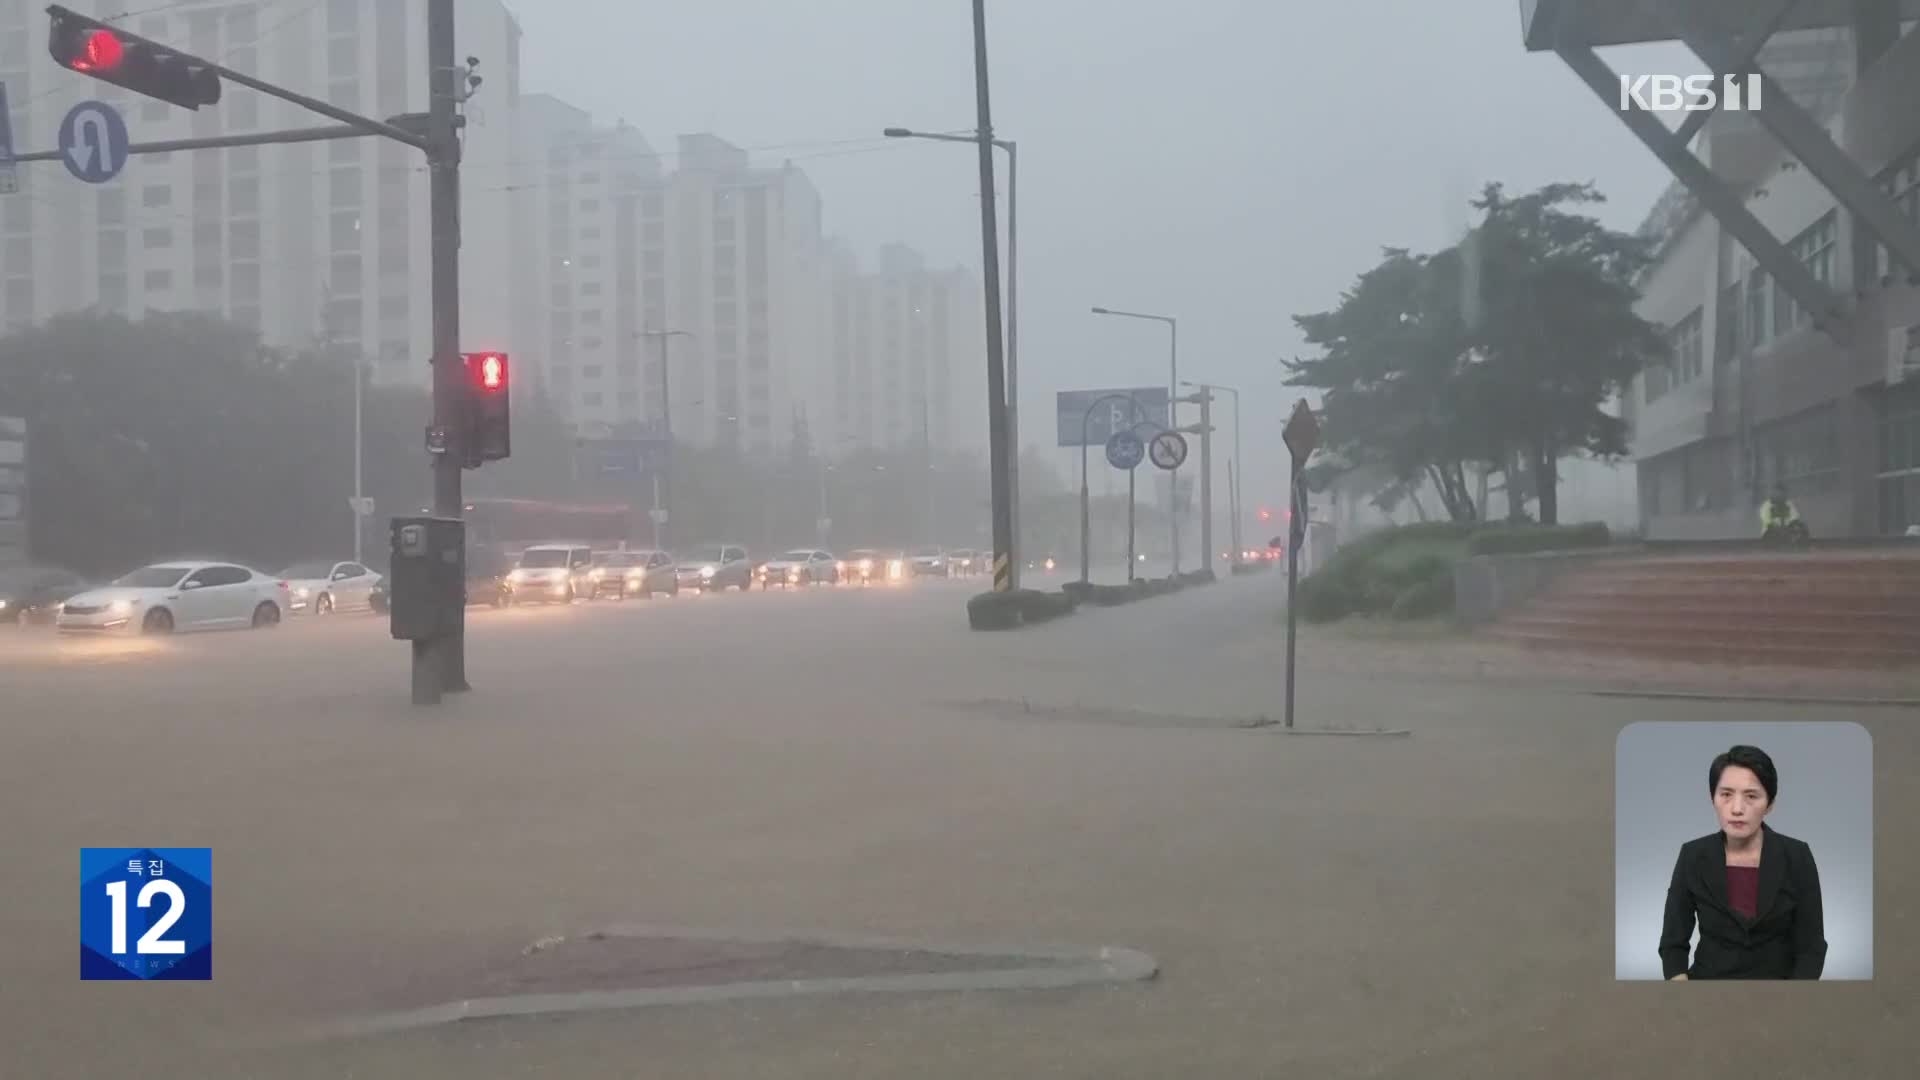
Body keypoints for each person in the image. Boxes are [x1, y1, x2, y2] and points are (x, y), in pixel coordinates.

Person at [1659, 745, 1826, 980]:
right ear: (1713, 798)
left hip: (1778, 994)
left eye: (1751, 796)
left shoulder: (1797, 855)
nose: (1737, 809)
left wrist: (1794, 1003)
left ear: (1770, 803)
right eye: (1726, 794)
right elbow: (1672, 943)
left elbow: (1811, 947)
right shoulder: (1692, 855)